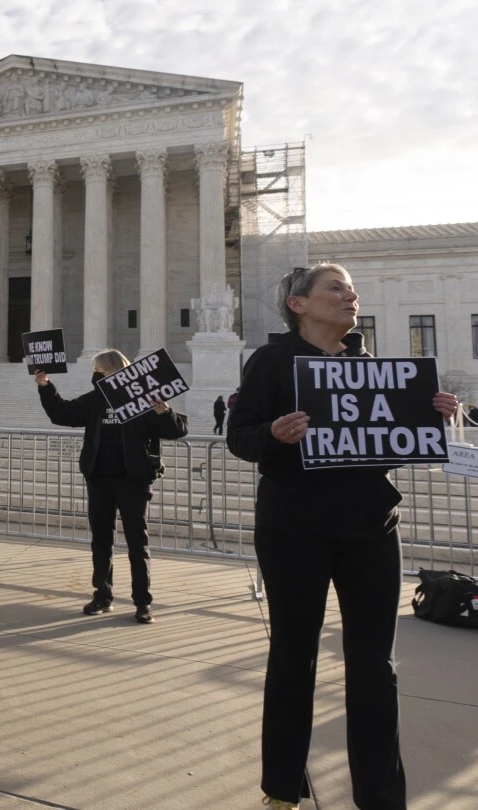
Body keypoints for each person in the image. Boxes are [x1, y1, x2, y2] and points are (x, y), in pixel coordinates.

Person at [227, 263, 458, 810]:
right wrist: (273, 435)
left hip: (372, 526)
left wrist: (435, 418)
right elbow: (239, 437)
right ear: (299, 304)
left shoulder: (371, 368)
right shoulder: (271, 361)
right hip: (294, 527)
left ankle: (381, 797)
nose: (350, 296)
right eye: (336, 287)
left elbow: (391, 441)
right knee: (294, 656)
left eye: (352, 289)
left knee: (375, 666)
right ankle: (281, 788)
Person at [33, 350, 188, 623]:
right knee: (101, 541)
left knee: (137, 544)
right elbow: (63, 413)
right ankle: (102, 596)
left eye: (99, 369)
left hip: (133, 481)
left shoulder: (144, 399)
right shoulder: (97, 399)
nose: (96, 373)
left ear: (110, 369)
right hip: (100, 479)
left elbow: (177, 430)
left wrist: (165, 411)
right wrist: (46, 387)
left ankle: (143, 603)